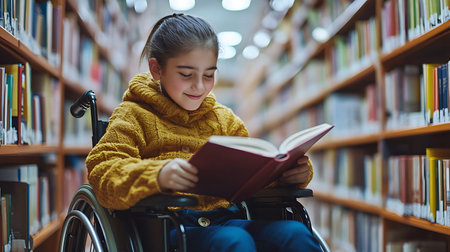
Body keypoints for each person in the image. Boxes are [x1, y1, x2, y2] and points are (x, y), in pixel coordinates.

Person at [86, 13, 321, 252]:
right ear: (157, 69)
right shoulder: (132, 115)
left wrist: (287, 174)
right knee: (234, 241)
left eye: (209, 75)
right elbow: (103, 172)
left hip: (228, 219)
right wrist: (157, 175)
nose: (200, 87)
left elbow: (250, 177)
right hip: (167, 229)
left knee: (296, 234)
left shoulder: (225, 120)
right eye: (186, 75)